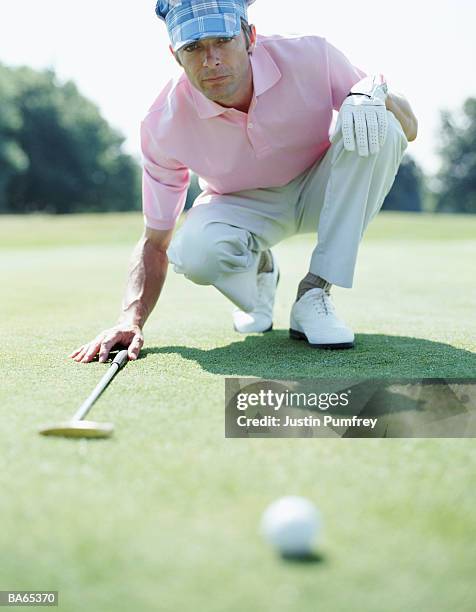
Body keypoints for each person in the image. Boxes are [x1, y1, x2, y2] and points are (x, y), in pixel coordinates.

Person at [69, 0, 418, 364]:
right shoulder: (161, 124)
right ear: (175, 55)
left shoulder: (311, 54)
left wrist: (379, 95)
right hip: (242, 206)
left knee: (382, 125)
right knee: (192, 251)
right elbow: (155, 243)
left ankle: (315, 292)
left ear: (249, 36)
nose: (211, 60)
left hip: (324, 187)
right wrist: (130, 319)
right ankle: (262, 270)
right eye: (193, 48)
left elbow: (410, 130)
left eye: (222, 40)